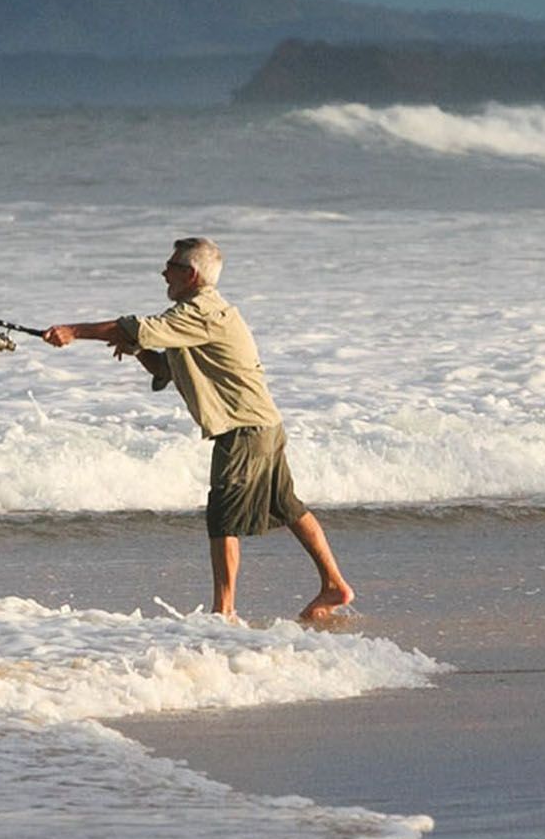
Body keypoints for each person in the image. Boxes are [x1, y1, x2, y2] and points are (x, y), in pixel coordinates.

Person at [42, 236, 353, 623]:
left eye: (170, 266)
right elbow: (161, 368)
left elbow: (134, 326)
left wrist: (74, 330)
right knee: (287, 506)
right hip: (262, 424)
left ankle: (223, 612)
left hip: (244, 429)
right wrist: (138, 351)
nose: (163, 272)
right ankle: (334, 584)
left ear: (190, 274)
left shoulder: (201, 312)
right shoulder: (190, 318)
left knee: (222, 518)